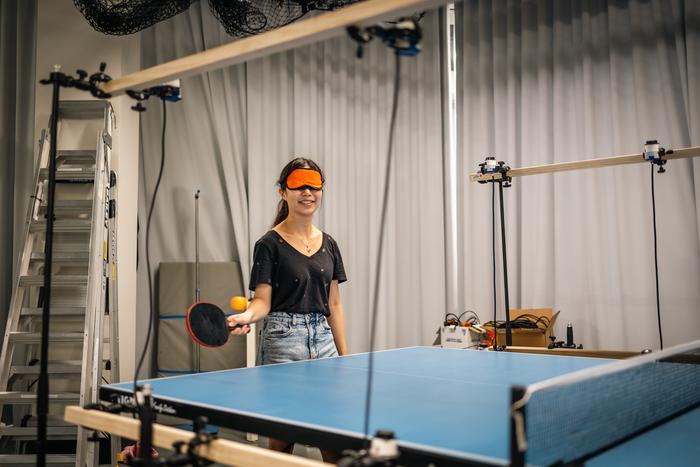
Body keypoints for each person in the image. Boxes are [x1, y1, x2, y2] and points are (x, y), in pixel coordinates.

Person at [228, 157, 348, 460]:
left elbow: (333, 304)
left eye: (314, 185)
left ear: (322, 190)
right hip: (283, 339)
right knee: (283, 440)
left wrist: (347, 359)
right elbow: (262, 302)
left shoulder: (330, 244)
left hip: (324, 341)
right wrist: (247, 316)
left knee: (333, 435)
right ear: (283, 192)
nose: (307, 192)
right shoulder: (268, 244)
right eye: (297, 185)